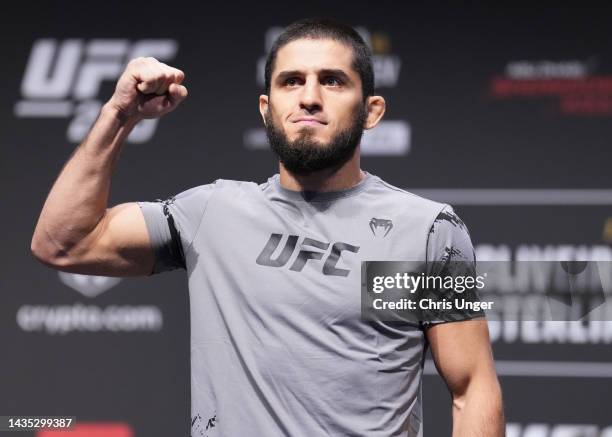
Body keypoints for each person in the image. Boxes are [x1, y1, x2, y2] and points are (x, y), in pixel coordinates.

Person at [31, 17, 504, 437]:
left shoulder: (424, 230)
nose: (310, 97)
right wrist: (118, 116)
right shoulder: (212, 214)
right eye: (291, 81)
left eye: (333, 81)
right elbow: (65, 244)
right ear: (266, 107)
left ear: (371, 110)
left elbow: (471, 388)